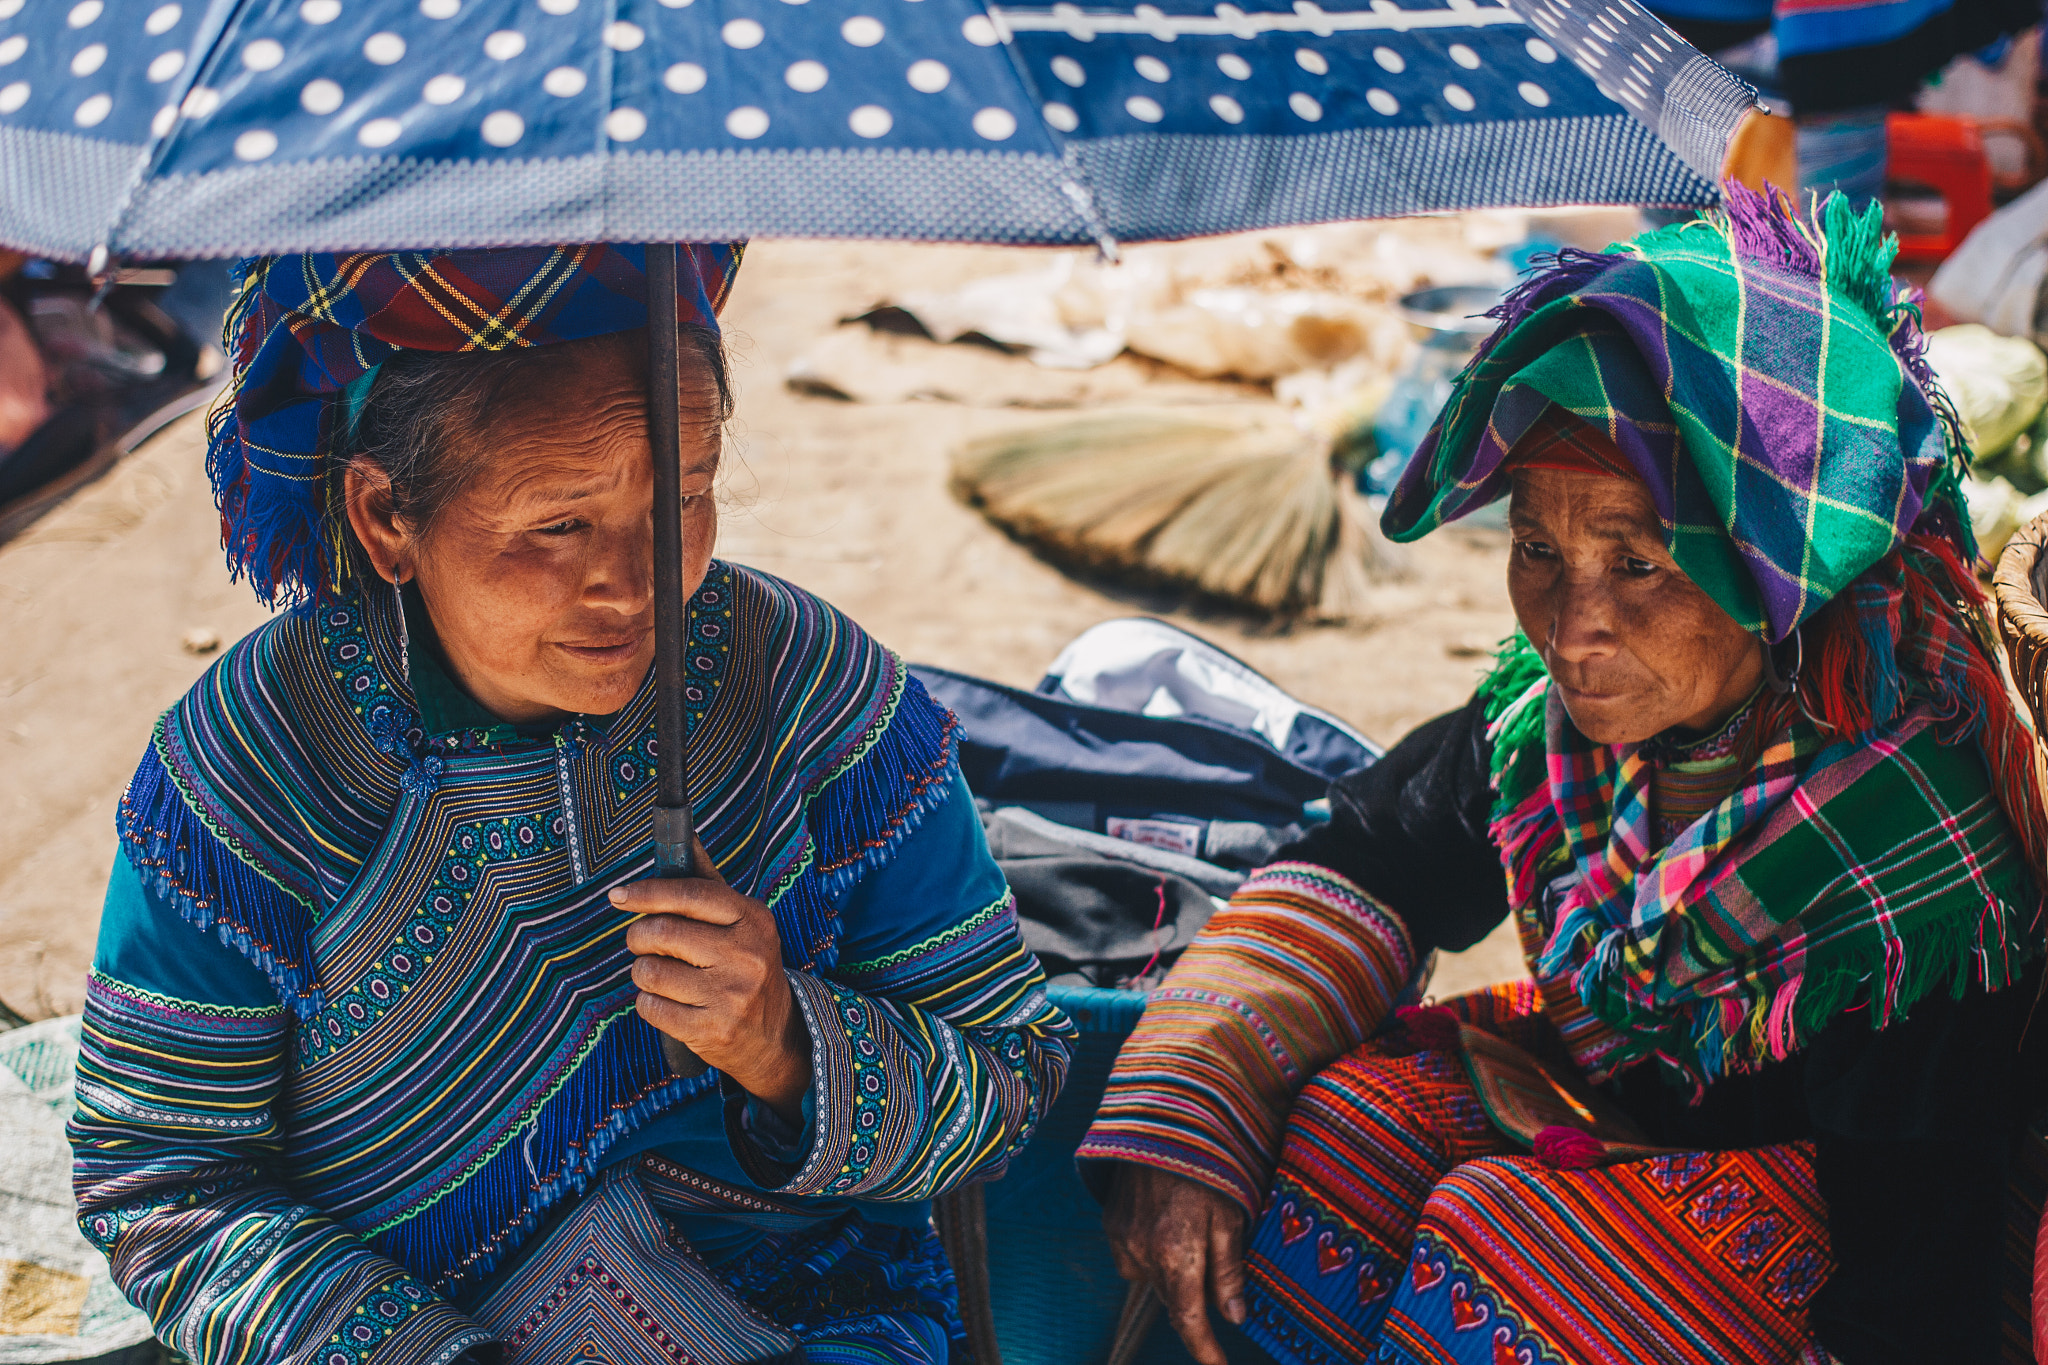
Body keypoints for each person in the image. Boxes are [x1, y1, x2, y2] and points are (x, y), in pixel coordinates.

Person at [1079, 188, 2047, 1365]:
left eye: (1637, 562)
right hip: (1630, 1138)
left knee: (1507, 1238)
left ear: (1775, 569)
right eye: (1537, 549)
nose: (1571, 624)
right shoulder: (1554, 731)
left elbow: (1911, 1277)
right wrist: (1191, 1095)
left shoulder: (1905, 855)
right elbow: (1372, 861)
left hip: (1847, 1261)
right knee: (1342, 1125)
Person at [66, 244, 1073, 1365]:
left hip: (807, 1328)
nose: (636, 582)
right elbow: (164, 1181)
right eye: (558, 524)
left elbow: (1010, 1075)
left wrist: (783, 1040)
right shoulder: (247, 768)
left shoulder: (813, 695)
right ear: (387, 517)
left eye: (684, 496)